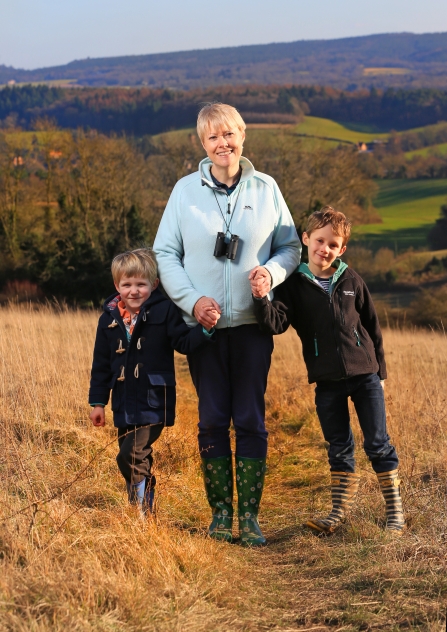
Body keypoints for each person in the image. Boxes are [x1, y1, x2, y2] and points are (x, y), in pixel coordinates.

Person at [154, 102, 301, 545]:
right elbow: (165, 254)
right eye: (213, 137)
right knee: (214, 418)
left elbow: (291, 248)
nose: (223, 143)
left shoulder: (267, 188)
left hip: (254, 327)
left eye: (230, 134)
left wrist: (270, 274)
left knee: (251, 419)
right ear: (203, 143)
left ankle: (250, 518)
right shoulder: (184, 192)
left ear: (243, 136)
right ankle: (221, 515)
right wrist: (193, 300)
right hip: (206, 331)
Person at [251, 207, 405, 535]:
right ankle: (338, 513)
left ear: (342, 249)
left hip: (365, 376)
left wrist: (380, 372)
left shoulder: (351, 279)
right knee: (338, 446)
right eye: (320, 240)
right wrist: (262, 298)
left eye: (333, 244)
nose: (325, 249)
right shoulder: (293, 285)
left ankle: (395, 511)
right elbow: (276, 323)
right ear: (306, 239)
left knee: (378, 443)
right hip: (327, 381)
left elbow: (372, 325)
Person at [89, 248, 213, 515]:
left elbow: (183, 342)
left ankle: (140, 512)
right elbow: (101, 365)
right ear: (117, 286)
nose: (134, 291)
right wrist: (98, 402)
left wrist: (205, 330)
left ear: (154, 285)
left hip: (154, 399)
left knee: (130, 454)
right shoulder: (107, 320)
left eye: (141, 284)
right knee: (135, 456)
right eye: (127, 285)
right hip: (123, 402)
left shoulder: (164, 311)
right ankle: (145, 510)